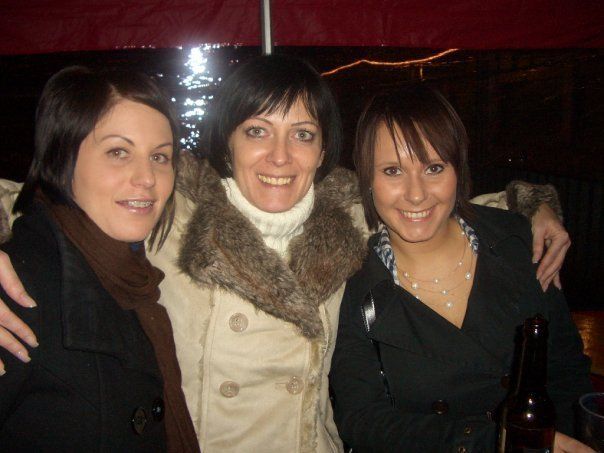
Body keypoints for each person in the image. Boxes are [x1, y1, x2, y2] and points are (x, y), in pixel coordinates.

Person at [0, 55, 571, 452]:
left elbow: (442, 201)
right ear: (228, 141)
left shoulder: (352, 213)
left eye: (302, 134)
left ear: (324, 151)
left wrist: (539, 205)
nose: (280, 156)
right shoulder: (170, 208)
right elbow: (47, 202)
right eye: (257, 131)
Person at [328, 85, 592, 452]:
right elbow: (361, 420)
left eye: (434, 168)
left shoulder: (518, 242)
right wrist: (492, 442)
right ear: (367, 182)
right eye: (392, 171)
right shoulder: (355, 286)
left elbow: (566, 371)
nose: (416, 194)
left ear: (458, 168)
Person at [0, 66, 199, 452]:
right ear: (63, 158)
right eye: (118, 152)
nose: (147, 177)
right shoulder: (18, 290)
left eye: (160, 157)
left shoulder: (130, 275)